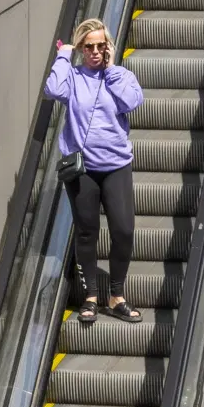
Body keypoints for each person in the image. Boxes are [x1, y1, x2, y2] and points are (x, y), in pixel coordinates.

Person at [46, 18, 143, 325]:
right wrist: (65, 54)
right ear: (81, 48)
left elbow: (133, 101)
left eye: (102, 46)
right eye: (89, 47)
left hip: (116, 166)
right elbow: (52, 89)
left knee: (124, 230)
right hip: (83, 169)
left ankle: (116, 296)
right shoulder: (73, 78)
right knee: (87, 232)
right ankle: (90, 297)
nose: (96, 52)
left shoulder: (121, 76)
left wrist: (112, 69)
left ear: (109, 47)